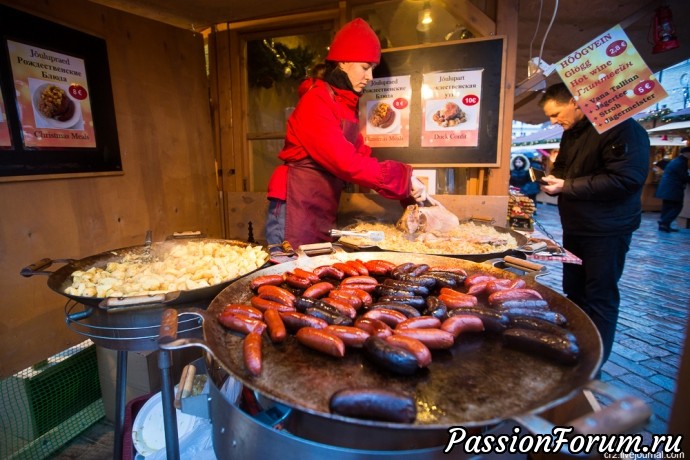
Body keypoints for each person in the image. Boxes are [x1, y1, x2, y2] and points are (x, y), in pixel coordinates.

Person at [265, 18, 428, 248]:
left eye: (373, 68)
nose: (370, 77)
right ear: (343, 62)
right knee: (289, 272)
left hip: (321, 204)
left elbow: (362, 157)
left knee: (316, 273)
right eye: (365, 67)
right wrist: (402, 177)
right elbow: (346, 162)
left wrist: (406, 190)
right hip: (295, 202)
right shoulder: (316, 101)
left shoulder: (345, 107)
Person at [538, 82, 650, 366]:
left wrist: (568, 186)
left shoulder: (624, 128)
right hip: (575, 226)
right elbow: (562, 167)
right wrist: (554, 180)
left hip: (607, 231)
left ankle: (593, 364)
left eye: (556, 114)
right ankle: (575, 348)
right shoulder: (572, 132)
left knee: (600, 297)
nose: (553, 121)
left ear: (576, 101)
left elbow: (626, 179)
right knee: (574, 292)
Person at [655, 147, 690, 232]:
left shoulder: (675, 160)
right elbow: (684, 176)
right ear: (686, 153)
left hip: (667, 188)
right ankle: (664, 222)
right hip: (673, 188)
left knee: (667, 206)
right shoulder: (681, 162)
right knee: (677, 206)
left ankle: (664, 224)